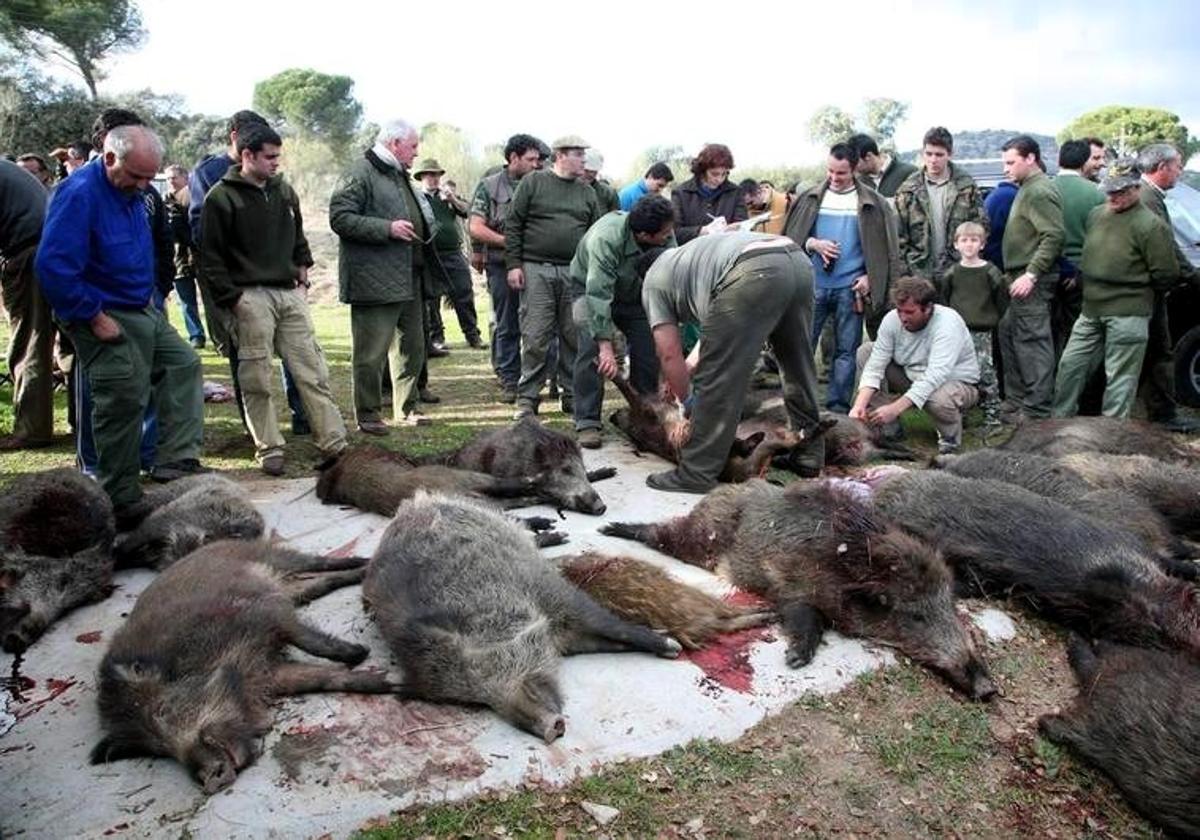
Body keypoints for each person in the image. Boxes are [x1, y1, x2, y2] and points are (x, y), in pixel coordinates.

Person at [34, 125, 205, 522]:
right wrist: (92, 316)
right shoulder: (78, 194)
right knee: (123, 396)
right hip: (99, 311)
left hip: (139, 306)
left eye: (152, 177)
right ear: (110, 158)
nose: (146, 186)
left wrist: (152, 294)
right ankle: (120, 496)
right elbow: (53, 266)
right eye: (137, 176)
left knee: (183, 363)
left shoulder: (134, 191)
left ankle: (173, 460)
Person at [200, 122, 347, 475]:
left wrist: (303, 271)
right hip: (250, 297)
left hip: (289, 294)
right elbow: (209, 258)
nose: (276, 163)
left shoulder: (284, 190)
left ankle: (334, 443)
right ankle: (269, 448)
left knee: (311, 371)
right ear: (247, 155)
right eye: (270, 157)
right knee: (257, 377)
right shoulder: (220, 197)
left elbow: (298, 236)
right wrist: (234, 299)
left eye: (278, 156)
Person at [640, 231, 823, 492]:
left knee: (719, 378)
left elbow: (669, 353)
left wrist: (687, 401)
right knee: (797, 364)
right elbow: (716, 334)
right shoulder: (691, 262)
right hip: (796, 260)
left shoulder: (653, 282)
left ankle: (696, 472)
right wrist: (690, 369)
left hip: (753, 270)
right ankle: (809, 453)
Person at [188, 108, 309, 435]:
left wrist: (299, 268)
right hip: (238, 283)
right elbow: (203, 234)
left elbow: (291, 223)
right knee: (248, 357)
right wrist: (230, 289)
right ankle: (256, 430)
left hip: (279, 281)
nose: (272, 160)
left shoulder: (274, 179)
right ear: (238, 141)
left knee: (298, 354)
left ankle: (303, 417)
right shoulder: (210, 175)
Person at [783, 141, 904, 413]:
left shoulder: (874, 203)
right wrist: (814, 244)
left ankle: (837, 408)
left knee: (846, 352)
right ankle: (799, 406)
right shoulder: (810, 198)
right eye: (830, 171)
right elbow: (791, 240)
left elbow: (887, 251)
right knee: (801, 348)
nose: (834, 178)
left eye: (841, 173)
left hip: (851, 289)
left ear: (854, 170)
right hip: (811, 286)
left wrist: (870, 278)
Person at [1053, 160, 1177, 419]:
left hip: (1128, 313)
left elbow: (1166, 275)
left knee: (1120, 379)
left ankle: (1112, 438)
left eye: (1120, 191)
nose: (1113, 196)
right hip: (1091, 310)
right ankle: (1058, 427)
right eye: (1110, 190)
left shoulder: (1151, 226)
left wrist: (1134, 290)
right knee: (1070, 365)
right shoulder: (1097, 215)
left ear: (1136, 188)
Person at [505, 134, 601, 418]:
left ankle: (571, 393)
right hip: (536, 268)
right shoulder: (533, 182)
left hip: (575, 272)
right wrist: (513, 264)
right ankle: (528, 398)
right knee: (536, 335)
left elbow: (596, 234)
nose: (584, 159)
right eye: (578, 154)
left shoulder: (587, 193)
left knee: (573, 334)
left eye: (584, 154)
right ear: (560, 155)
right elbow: (514, 223)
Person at [570, 195, 676, 448]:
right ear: (644, 235)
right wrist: (605, 347)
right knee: (591, 352)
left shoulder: (664, 234)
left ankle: (646, 417)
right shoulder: (606, 239)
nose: (669, 236)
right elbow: (598, 294)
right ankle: (587, 421)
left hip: (636, 296)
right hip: (589, 291)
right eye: (664, 234)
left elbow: (671, 283)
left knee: (647, 351)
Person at [851, 276, 980, 454]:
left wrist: (895, 408)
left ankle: (950, 440)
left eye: (909, 312)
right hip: (912, 375)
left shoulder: (947, 324)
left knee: (939, 398)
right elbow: (876, 364)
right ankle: (887, 429)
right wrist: (859, 404)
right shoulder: (892, 320)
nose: (903, 318)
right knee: (867, 351)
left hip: (954, 384)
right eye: (899, 311)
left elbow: (934, 376)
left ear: (927, 309)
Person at [469, 134, 543, 402]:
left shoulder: (542, 183)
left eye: (538, 159)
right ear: (513, 158)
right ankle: (510, 380)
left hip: (537, 263)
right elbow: (476, 226)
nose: (537, 164)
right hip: (501, 264)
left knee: (539, 325)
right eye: (531, 159)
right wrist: (508, 242)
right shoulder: (490, 186)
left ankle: (538, 378)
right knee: (507, 323)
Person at [1134, 142, 1200, 432]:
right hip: (1148, 291)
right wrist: (1192, 275)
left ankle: (1162, 411)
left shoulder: (1152, 196)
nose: (1180, 171)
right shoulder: (1148, 198)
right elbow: (1166, 246)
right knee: (1158, 351)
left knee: (1156, 350)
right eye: (1177, 166)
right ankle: (1163, 415)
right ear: (1162, 168)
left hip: (1151, 290)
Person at [997, 135, 1064, 421]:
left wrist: (1032, 274)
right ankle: (1016, 400)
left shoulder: (1038, 191)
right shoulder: (1027, 188)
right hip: (1018, 276)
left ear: (1031, 158)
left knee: (1033, 341)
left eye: (1011, 162)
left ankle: (1037, 410)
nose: (1006, 169)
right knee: (1008, 331)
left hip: (1030, 278)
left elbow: (1054, 235)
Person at [0, 159, 55, 450]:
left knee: (29, 341)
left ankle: (32, 430)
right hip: (52, 248)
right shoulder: (9, 171)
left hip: (29, 254)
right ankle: (80, 422)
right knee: (64, 344)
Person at [894, 127, 987, 280]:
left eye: (939, 155)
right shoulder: (908, 190)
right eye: (928, 154)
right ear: (922, 153)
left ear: (950, 155)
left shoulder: (966, 187)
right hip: (919, 272)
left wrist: (971, 262)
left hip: (958, 270)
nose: (933, 160)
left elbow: (981, 227)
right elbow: (898, 236)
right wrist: (906, 273)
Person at [940, 221, 1006, 426]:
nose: (969, 245)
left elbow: (1002, 299)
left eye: (974, 240)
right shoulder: (951, 273)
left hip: (982, 332)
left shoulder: (991, 272)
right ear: (956, 244)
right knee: (957, 371)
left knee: (985, 371)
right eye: (964, 240)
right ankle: (960, 412)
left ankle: (993, 414)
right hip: (957, 333)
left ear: (982, 245)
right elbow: (944, 300)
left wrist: (992, 318)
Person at [414, 158, 483, 350]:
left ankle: (472, 335)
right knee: (431, 300)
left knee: (464, 292)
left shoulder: (449, 197)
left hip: (453, 253)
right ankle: (437, 338)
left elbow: (469, 212)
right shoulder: (417, 198)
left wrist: (452, 199)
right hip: (429, 255)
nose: (433, 178)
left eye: (436, 175)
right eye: (429, 174)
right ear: (421, 177)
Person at [1052, 139, 1105, 359]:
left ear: (1058, 160)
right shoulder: (1097, 194)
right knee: (1080, 337)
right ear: (1084, 162)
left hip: (1049, 270)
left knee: (1051, 332)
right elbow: (1102, 240)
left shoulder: (1044, 189)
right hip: (1083, 273)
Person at [671, 143, 748, 244]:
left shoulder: (735, 192)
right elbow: (674, 233)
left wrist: (731, 229)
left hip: (725, 252)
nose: (719, 179)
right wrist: (704, 231)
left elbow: (742, 225)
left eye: (724, 174)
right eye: (714, 174)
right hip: (692, 254)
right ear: (702, 170)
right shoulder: (680, 193)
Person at [164, 163, 206, 349]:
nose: (171, 181)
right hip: (179, 259)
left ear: (184, 177)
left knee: (206, 299)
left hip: (197, 257)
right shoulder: (167, 199)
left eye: (174, 177)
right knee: (186, 301)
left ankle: (204, 335)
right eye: (168, 178)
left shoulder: (191, 197)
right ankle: (196, 335)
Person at [848, 133, 917, 199]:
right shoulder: (860, 182)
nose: (853, 167)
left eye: (855, 162)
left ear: (868, 156)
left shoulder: (909, 173)